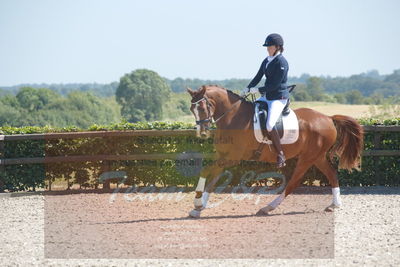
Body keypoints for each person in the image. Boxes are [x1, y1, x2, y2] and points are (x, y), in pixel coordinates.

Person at [241, 33, 289, 168]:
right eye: (267, 46)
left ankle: (280, 154)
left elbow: (275, 85)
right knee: (251, 114)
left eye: (270, 46)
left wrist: (258, 90)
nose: (267, 48)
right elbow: (258, 77)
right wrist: (248, 88)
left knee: (269, 125)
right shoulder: (267, 60)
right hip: (267, 97)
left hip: (278, 98)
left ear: (278, 47)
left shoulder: (282, 62)